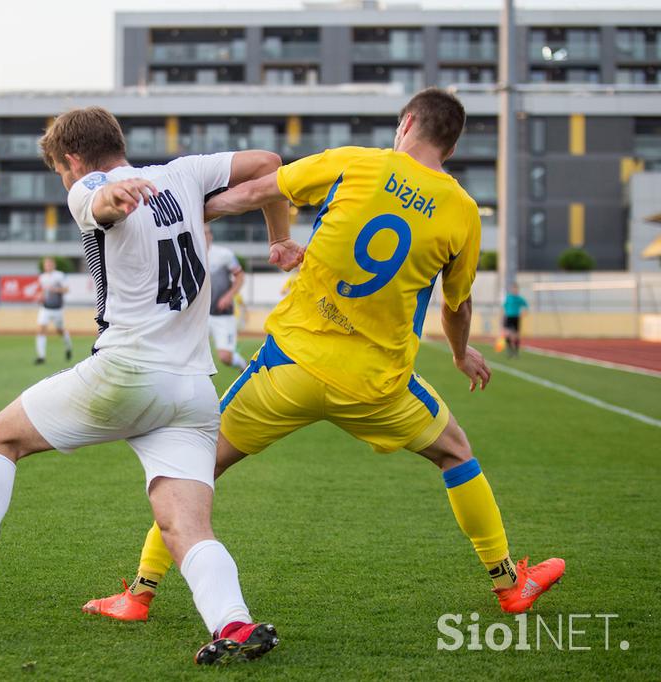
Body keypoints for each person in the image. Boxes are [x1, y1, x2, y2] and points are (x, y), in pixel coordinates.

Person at [82, 88, 564, 624]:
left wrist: (180, 219)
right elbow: (458, 304)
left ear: (406, 123)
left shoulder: (355, 162)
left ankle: (140, 595)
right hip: (376, 385)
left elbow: (255, 191)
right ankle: (508, 583)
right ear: (448, 148)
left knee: (195, 468)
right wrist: (459, 353)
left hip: (287, 368)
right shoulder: (463, 212)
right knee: (456, 453)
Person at [0, 106, 289, 665]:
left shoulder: (91, 186)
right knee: (185, 527)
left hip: (127, 374)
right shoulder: (184, 172)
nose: (68, 180)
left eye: (62, 170)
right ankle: (235, 623)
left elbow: (97, 203)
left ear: (73, 160)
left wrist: (110, 196)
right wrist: (275, 237)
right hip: (193, 392)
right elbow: (271, 165)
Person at [205, 224, 247, 371]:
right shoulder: (189, 254)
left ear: (211, 235)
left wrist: (229, 296)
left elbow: (240, 276)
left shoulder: (224, 255)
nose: (205, 236)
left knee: (225, 357)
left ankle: (243, 365)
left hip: (222, 315)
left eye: (207, 233)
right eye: (202, 233)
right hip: (200, 316)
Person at [34, 256, 73, 364]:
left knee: (60, 331)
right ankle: (41, 357)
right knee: (41, 329)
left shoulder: (59, 276)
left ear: (53, 265)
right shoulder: (42, 277)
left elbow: (66, 289)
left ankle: (68, 347)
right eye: (46, 264)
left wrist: (55, 289)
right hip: (45, 308)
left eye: (49, 264)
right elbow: (43, 291)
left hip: (57, 309)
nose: (48, 266)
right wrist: (39, 297)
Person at [501, 284, 528, 358]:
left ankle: (516, 352)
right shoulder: (508, 298)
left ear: (518, 290)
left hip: (516, 318)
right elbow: (504, 307)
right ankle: (509, 350)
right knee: (507, 334)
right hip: (509, 317)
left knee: (516, 335)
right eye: (514, 289)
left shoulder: (519, 299)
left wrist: (524, 313)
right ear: (512, 290)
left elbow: (526, 305)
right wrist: (503, 316)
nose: (515, 290)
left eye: (516, 289)